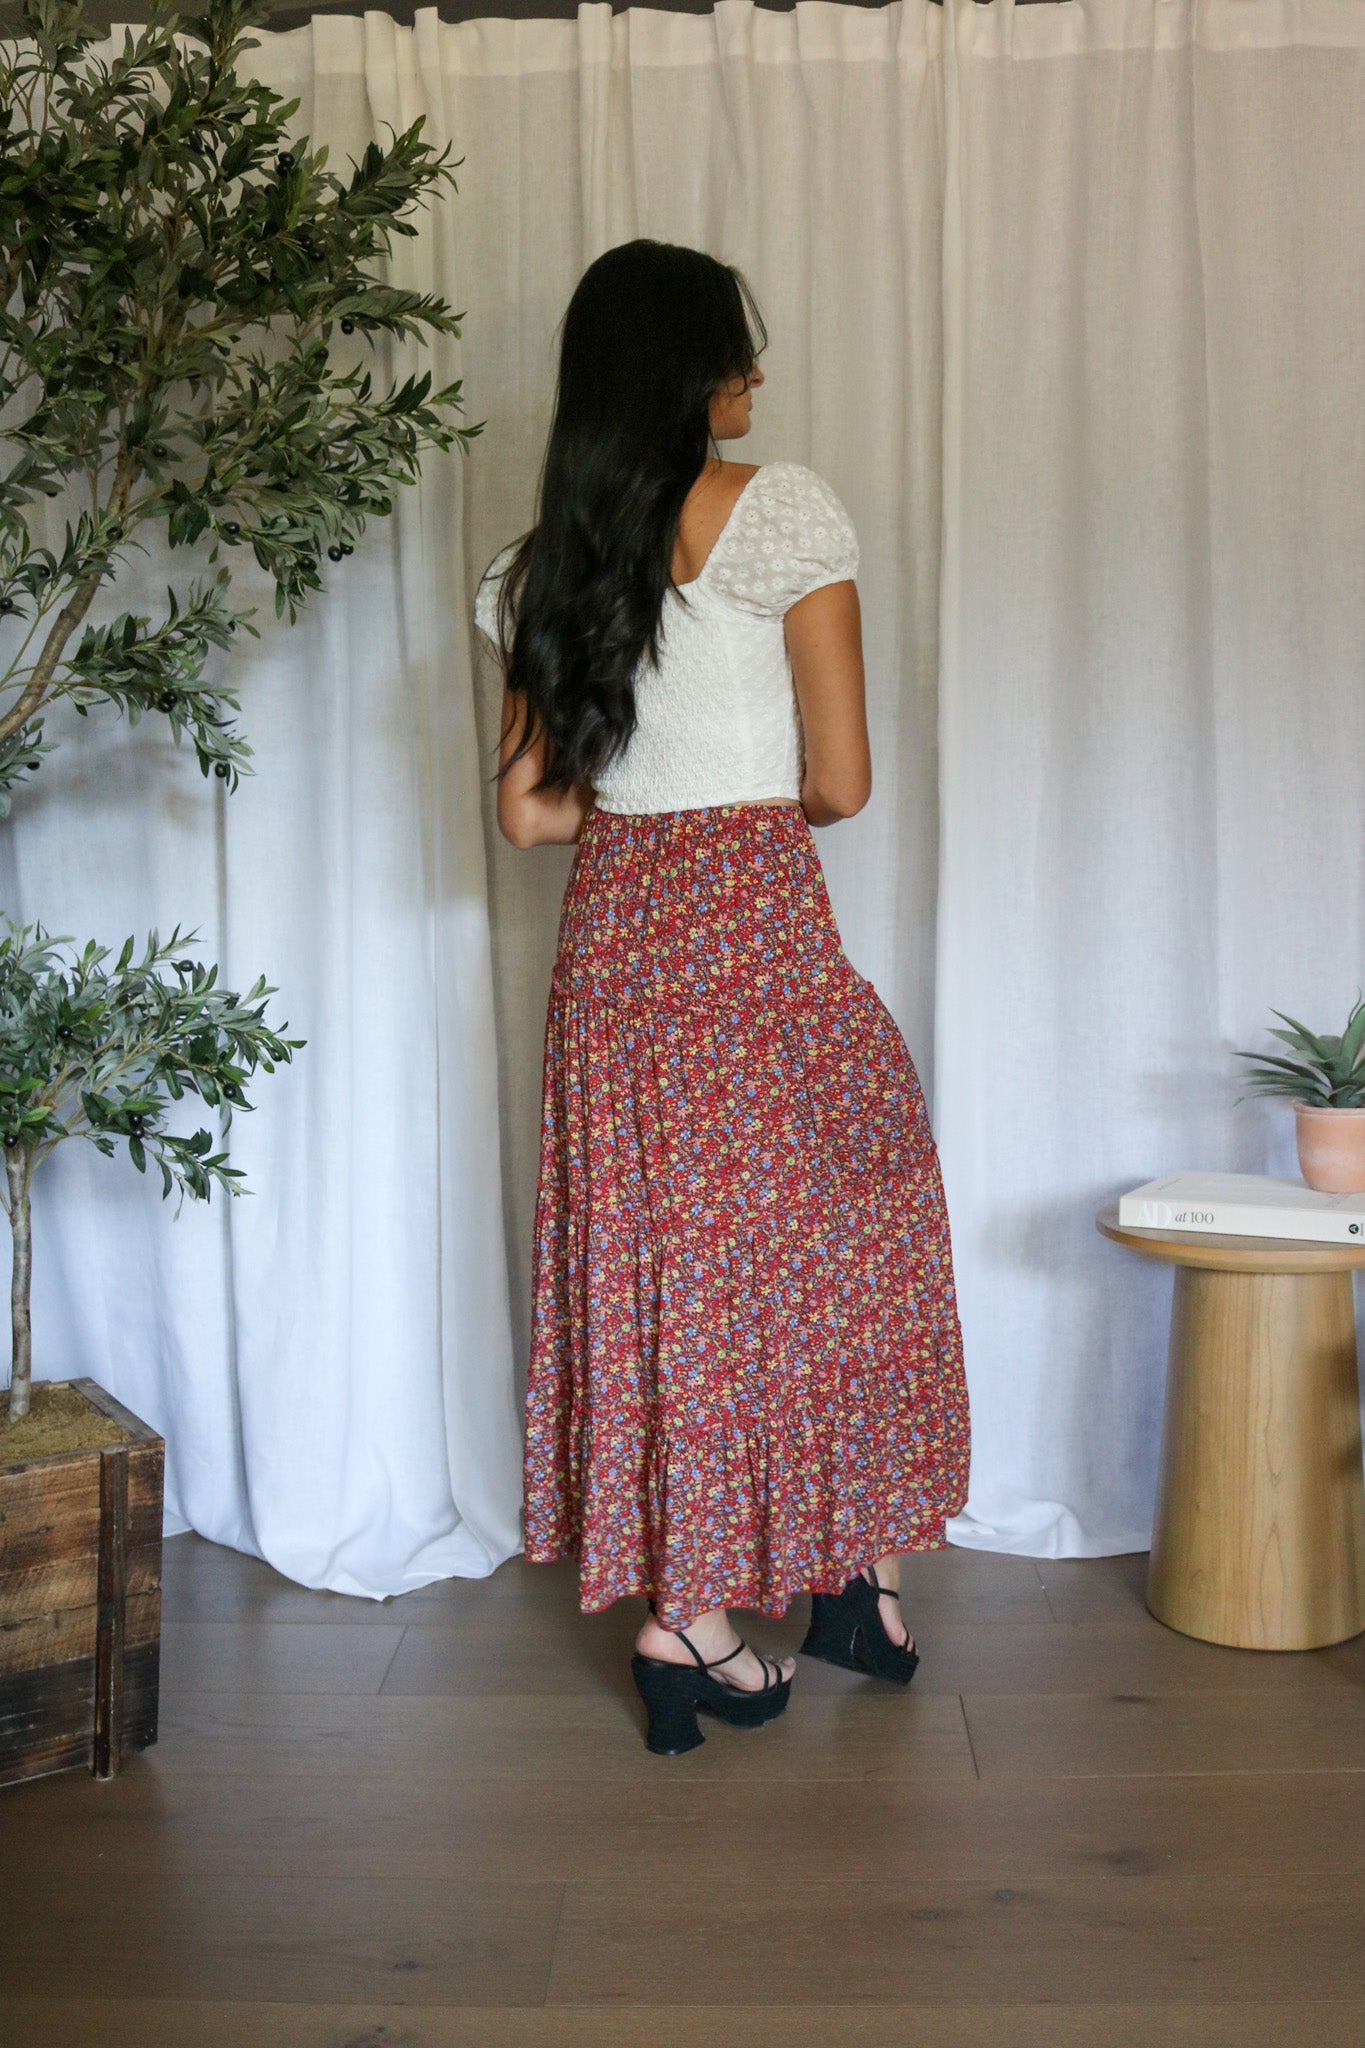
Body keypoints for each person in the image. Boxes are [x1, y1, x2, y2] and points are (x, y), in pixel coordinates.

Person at [474, 238, 970, 1756]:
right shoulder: (784, 516)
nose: (756, 380)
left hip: (617, 941)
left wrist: (645, 787)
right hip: (751, 922)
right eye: (736, 354)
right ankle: (748, 1601)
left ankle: (752, 1597)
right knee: (841, 1233)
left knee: (665, 1275)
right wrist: (735, 810)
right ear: (684, 373)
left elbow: (529, 817)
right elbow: (841, 780)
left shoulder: (541, 560)